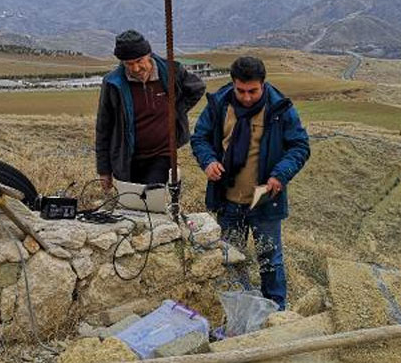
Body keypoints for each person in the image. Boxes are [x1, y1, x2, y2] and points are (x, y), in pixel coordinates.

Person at [191, 56, 310, 310]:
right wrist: (209, 161)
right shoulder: (219, 104)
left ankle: (277, 312)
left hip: (265, 201)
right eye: (241, 91)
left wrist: (280, 174)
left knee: (270, 260)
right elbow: (199, 137)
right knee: (230, 259)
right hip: (227, 201)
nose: (246, 97)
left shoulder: (280, 109)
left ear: (263, 84)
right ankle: (237, 309)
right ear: (233, 84)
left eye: (253, 91)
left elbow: (299, 146)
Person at [95, 30, 205, 189]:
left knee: (153, 198)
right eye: (129, 63)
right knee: (130, 205)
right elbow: (103, 128)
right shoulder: (113, 84)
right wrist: (104, 171)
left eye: (139, 61)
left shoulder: (171, 71)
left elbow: (197, 88)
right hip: (126, 158)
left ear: (149, 55)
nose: (136, 68)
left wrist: (176, 111)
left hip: (161, 154)